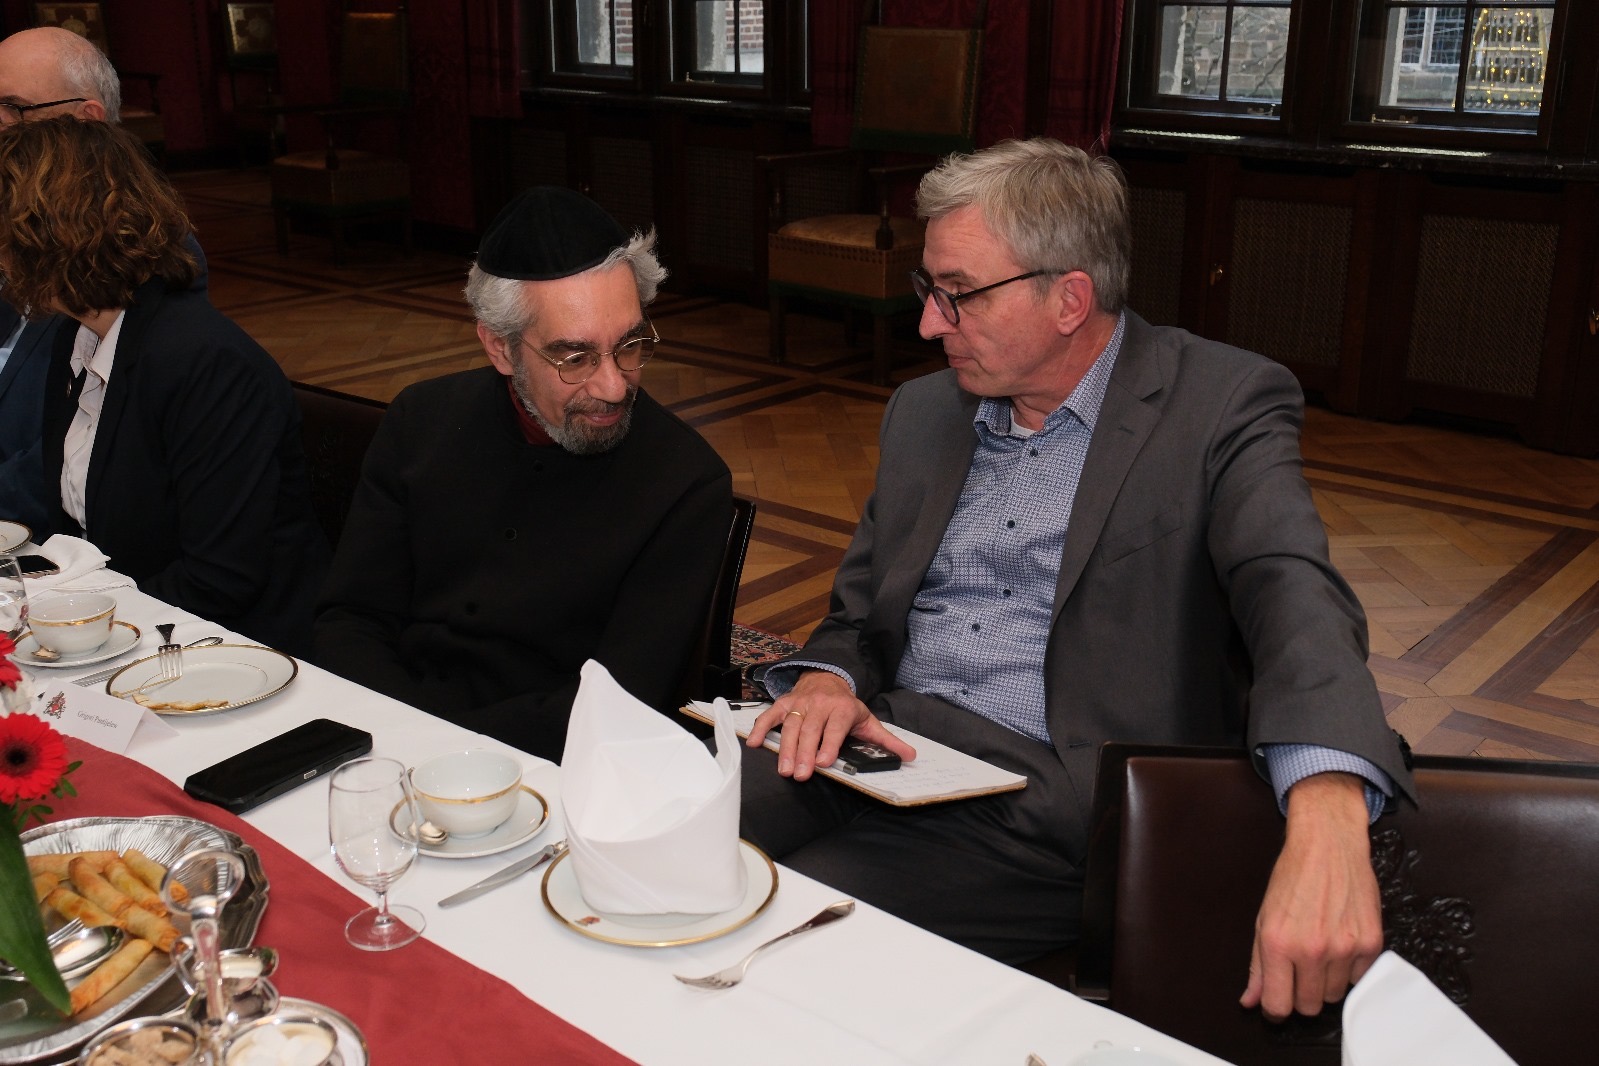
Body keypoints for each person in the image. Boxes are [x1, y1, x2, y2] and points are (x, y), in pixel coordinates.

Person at [741, 138, 1416, 1022]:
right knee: (669, 844)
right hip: (883, 744)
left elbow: (1294, 595)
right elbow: (860, 611)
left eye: (959, 294)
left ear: (1068, 298)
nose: (929, 324)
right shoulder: (923, 410)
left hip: (1050, 804)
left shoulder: (1218, 407)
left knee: (784, 939)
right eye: (927, 289)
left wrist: (1326, 804)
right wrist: (830, 678)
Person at [313, 187, 733, 763]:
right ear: (500, 348)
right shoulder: (421, 420)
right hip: (383, 735)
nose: (614, 385)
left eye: (630, 345)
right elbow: (352, 618)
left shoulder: (685, 482)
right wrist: (394, 735)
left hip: (548, 765)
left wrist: (442, 751)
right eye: (575, 357)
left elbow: (620, 702)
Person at [0, 116, 326, 653]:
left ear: (50, 235)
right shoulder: (75, 336)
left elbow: (221, 578)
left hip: (233, 651)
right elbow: (81, 534)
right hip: (140, 621)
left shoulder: (207, 364)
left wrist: (72, 623)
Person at [0, 25, 205, 534]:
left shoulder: (142, 251)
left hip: (55, 535)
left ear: (86, 120)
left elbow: (93, 444)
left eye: (13, 108)